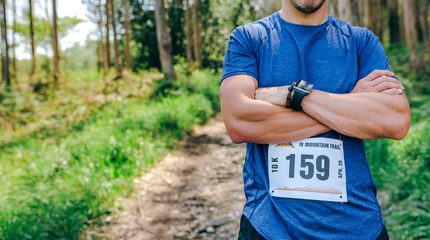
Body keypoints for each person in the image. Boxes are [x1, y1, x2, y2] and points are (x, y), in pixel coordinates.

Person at [220, 0, 411, 239]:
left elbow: (396, 120)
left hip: (359, 227)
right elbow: (239, 122)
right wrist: (349, 102)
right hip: (270, 228)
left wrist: (294, 95)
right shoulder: (249, 38)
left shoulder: (361, 42)